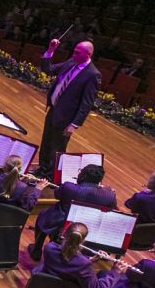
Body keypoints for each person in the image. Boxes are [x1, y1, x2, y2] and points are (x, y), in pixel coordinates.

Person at [16, 223, 111, 288]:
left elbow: (65, 262)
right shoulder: (84, 264)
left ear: (64, 234)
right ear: (83, 241)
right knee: (75, 282)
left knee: (41, 270)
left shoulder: (49, 248)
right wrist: (115, 272)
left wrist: (89, 260)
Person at [36, 38, 101, 178]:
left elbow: (87, 103)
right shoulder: (71, 62)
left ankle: (50, 176)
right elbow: (48, 70)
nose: (74, 55)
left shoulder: (93, 74)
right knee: (46, 142)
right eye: (74, 52)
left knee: (57, 148)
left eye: (77, 53)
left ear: (88, 54)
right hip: (54, 110)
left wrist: (74, 124)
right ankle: (42, 169)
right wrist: (50, 51)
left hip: (67, 118)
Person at [28, 163, 115, 259]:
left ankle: (36, 250)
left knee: (43, 214)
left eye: (80, 172)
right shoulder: (109, 195)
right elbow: (112, 210)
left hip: (61, 225)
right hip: (88, 226)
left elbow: (57, 195)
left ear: (83, 176)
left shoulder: (69, 187)